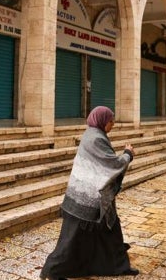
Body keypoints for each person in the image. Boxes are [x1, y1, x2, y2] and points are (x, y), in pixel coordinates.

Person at [40, 106, 139, 280]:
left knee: (110, 230)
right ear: (102, 121)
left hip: (90, 196)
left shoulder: (93, 134)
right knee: (71, 241)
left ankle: (118, 266)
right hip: (86, 199)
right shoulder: (95, 139)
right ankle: (52, 271)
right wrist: (128, 154)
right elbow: (112, 165)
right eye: (110, 121)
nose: (113, 124)